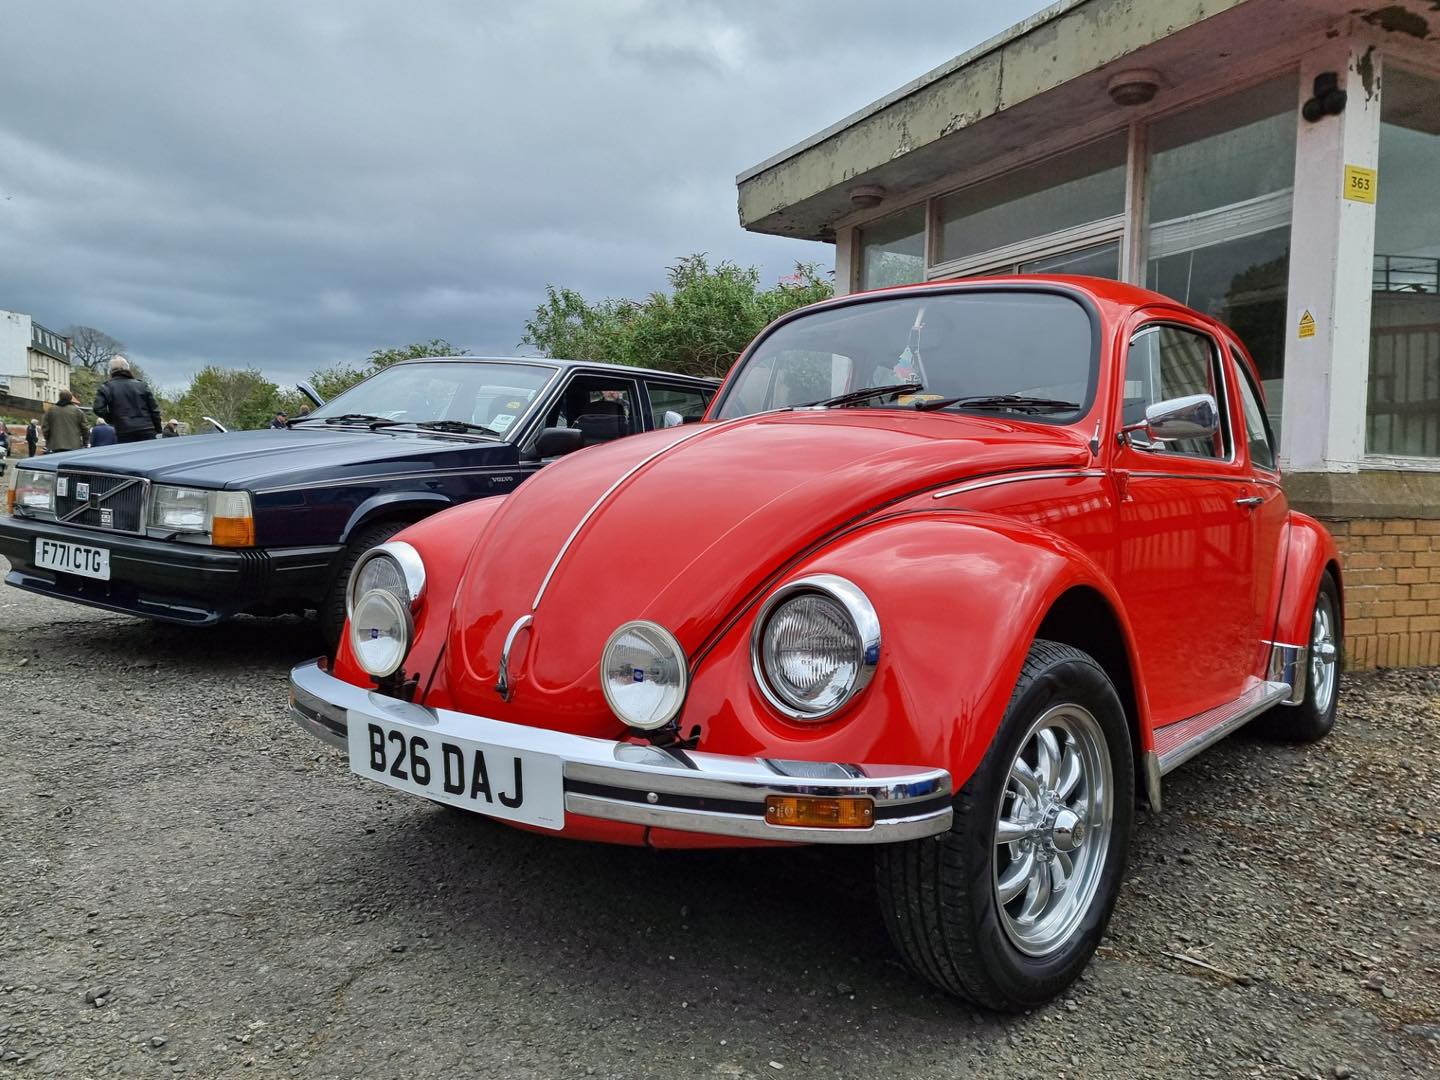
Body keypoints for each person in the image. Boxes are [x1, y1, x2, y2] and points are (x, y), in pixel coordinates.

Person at [93, 356, 161, 444]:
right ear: (128, 369)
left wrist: (113, 419)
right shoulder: (142, 385)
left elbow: (98, 408)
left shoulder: (106, 387)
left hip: (123, 431)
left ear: (111, 371)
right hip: (146, 429)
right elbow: (154, 410)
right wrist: (158, 429)